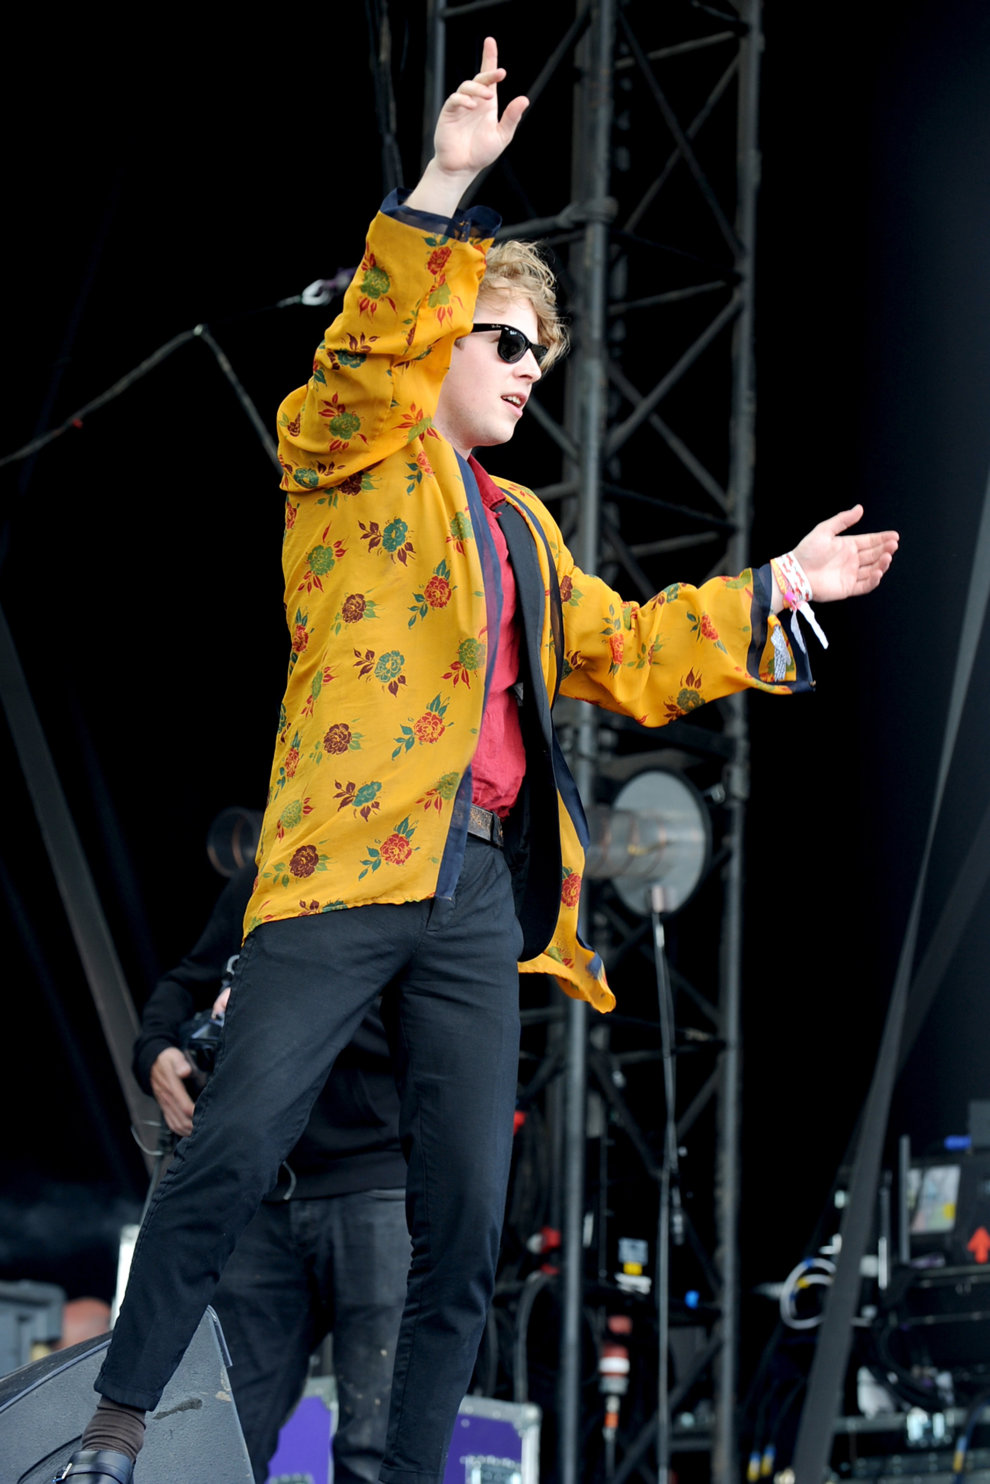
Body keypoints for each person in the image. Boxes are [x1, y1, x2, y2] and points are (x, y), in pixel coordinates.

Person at [53, 37, 898, 1484]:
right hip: (342, 867)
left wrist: (781, 586)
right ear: (438, 336)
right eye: (504, 343)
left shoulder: (525, 527)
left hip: (473, 892)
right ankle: (113, 1434)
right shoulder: (343, 460)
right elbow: (361, 353)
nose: (528, 370)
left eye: (540, 355)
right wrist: (445, 185)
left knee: (465, 1225)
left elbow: (632, 647)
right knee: (232, 1148)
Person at [133, 861, 409, 1484]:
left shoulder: (406, 871)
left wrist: (275, 1002)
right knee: (216, 1439)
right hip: (261, 1193)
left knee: (376, 1448)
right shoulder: (267, 873)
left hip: (377, 1187)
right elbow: (187, 982)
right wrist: (155, 1049)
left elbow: (430, 1032)